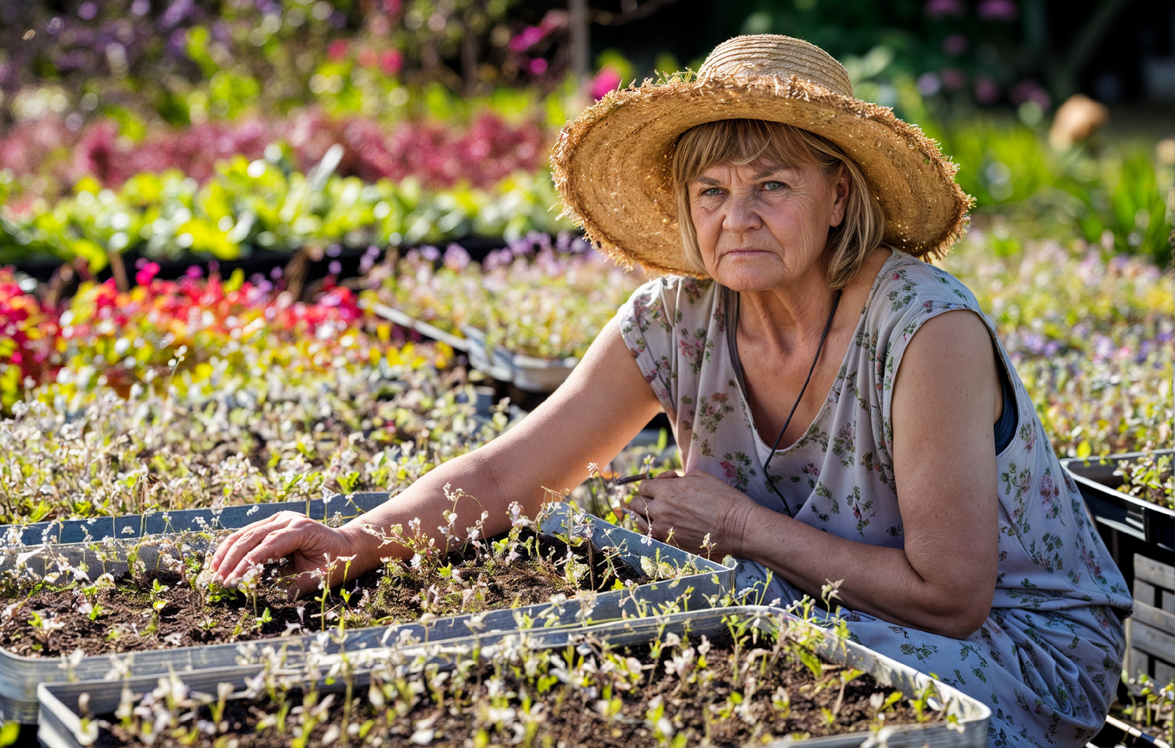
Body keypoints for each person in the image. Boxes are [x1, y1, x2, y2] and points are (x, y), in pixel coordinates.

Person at [211, 34, 1131, 746]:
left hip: (1010, 654)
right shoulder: (675, 318)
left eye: (773, 184)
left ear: (840, 196)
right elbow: (508, 475)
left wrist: (735, 527)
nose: (736, 217)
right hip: (818, 606)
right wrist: (360, 540)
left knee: (727, 677)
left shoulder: (924, 330)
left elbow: (952, 597)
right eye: (712, 189)